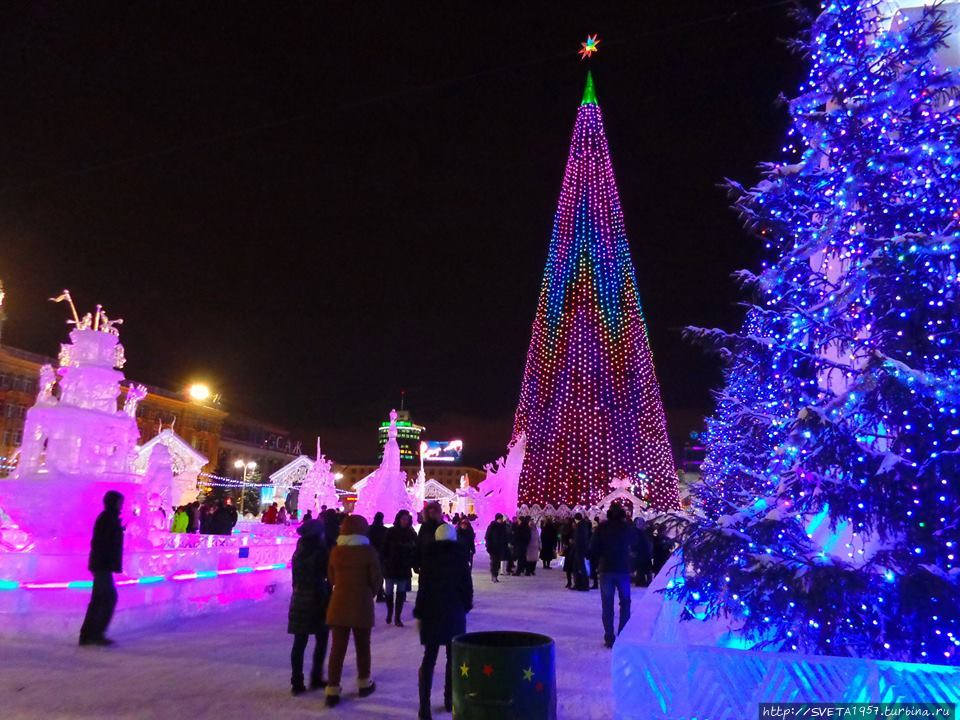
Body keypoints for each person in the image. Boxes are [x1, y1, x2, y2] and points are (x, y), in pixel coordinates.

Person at [413, 524, 473, 720]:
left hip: (432, 612)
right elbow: (467, 587)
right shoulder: (460, 559)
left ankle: (424, 706)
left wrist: (420, 612)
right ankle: (449, 699)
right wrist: (465, 606)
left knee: (429, 658)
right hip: (454, 611)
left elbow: (423, 589)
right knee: (452, 658)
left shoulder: (429, 559)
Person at [325, 514, 382, 708]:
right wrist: (369, 593)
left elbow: (331, 577)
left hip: (338, 603)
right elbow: (376, 579)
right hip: (361, 604)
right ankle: (364, 682)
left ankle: (332, 688)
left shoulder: (336, 551)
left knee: (337, 649)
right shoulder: (368, 552)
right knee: (363, 646)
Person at [288, 518, 331, 695]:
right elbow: (327, 573)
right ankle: (316, 675)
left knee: (300, 642)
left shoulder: (299, 551)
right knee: (321, 639)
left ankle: (297, 681)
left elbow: (295, 577)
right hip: (318, 598)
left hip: (299, 598)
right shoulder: (321, 552)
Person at [79, 490, 124, 647]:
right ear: (113, 503)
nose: (122, 506)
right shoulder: (107, 518)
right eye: (120, 502)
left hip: (102, 565)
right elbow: (102, 543)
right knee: (107, 599)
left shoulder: (109, 518)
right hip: (102, 566)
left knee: (99, 600)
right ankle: (94, 634)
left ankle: (88, 634)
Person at [589, 504, 638, 648]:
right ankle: (622, 634)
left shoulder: (602, 528)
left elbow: (594, 547)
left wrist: (596, 562)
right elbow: (635, 543)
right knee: (625, 602)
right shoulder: (627, 528)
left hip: (606, 569)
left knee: (607, 604)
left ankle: (609, 637)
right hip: (622, 569)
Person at [382, 509, 417, 625]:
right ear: (398, 519)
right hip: (390, 566)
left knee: (401, 593)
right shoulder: (391, 532)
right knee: (389, 592)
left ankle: (397, 616)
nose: (405, 522)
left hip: (403, 566)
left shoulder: (411, 533)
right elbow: (385, 548)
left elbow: (415, 549)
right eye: (403, 519)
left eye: (407, 519)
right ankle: (390, 612)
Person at [416, 502, 443, 573]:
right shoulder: (425, 526)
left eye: (434, 512)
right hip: (426, 561)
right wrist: (416, 563)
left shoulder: (443, 526)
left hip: (440, 561)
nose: (432, 514)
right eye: (430, 512)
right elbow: (419, 543)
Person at [367, 512, 388, 602]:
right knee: (380, 575)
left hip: (371, 553)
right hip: (381, 554)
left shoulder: (369, 529)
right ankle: (380, 593)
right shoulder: (384, 530)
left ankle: (372, 592)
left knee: (371, 574)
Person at [484, 514, 508, 582]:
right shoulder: (492, 526)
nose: (501, 520)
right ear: (497, 519)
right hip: (493, 548)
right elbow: (487, 536)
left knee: (497, 563)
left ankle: (495, 575)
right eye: (500, 518)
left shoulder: (502, 527)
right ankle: (494, 575)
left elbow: (505, 537)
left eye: (502, 518)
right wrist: (488, 546)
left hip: (501, 548)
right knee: (494, 562)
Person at [573, 513, 592, 591]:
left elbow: (580, 540)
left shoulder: (580, 527)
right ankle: (580, 584)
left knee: (580, 567)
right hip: (581, 550)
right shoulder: (583, 526)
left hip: (580, 550)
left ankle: (583, 585)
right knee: (579, 567)